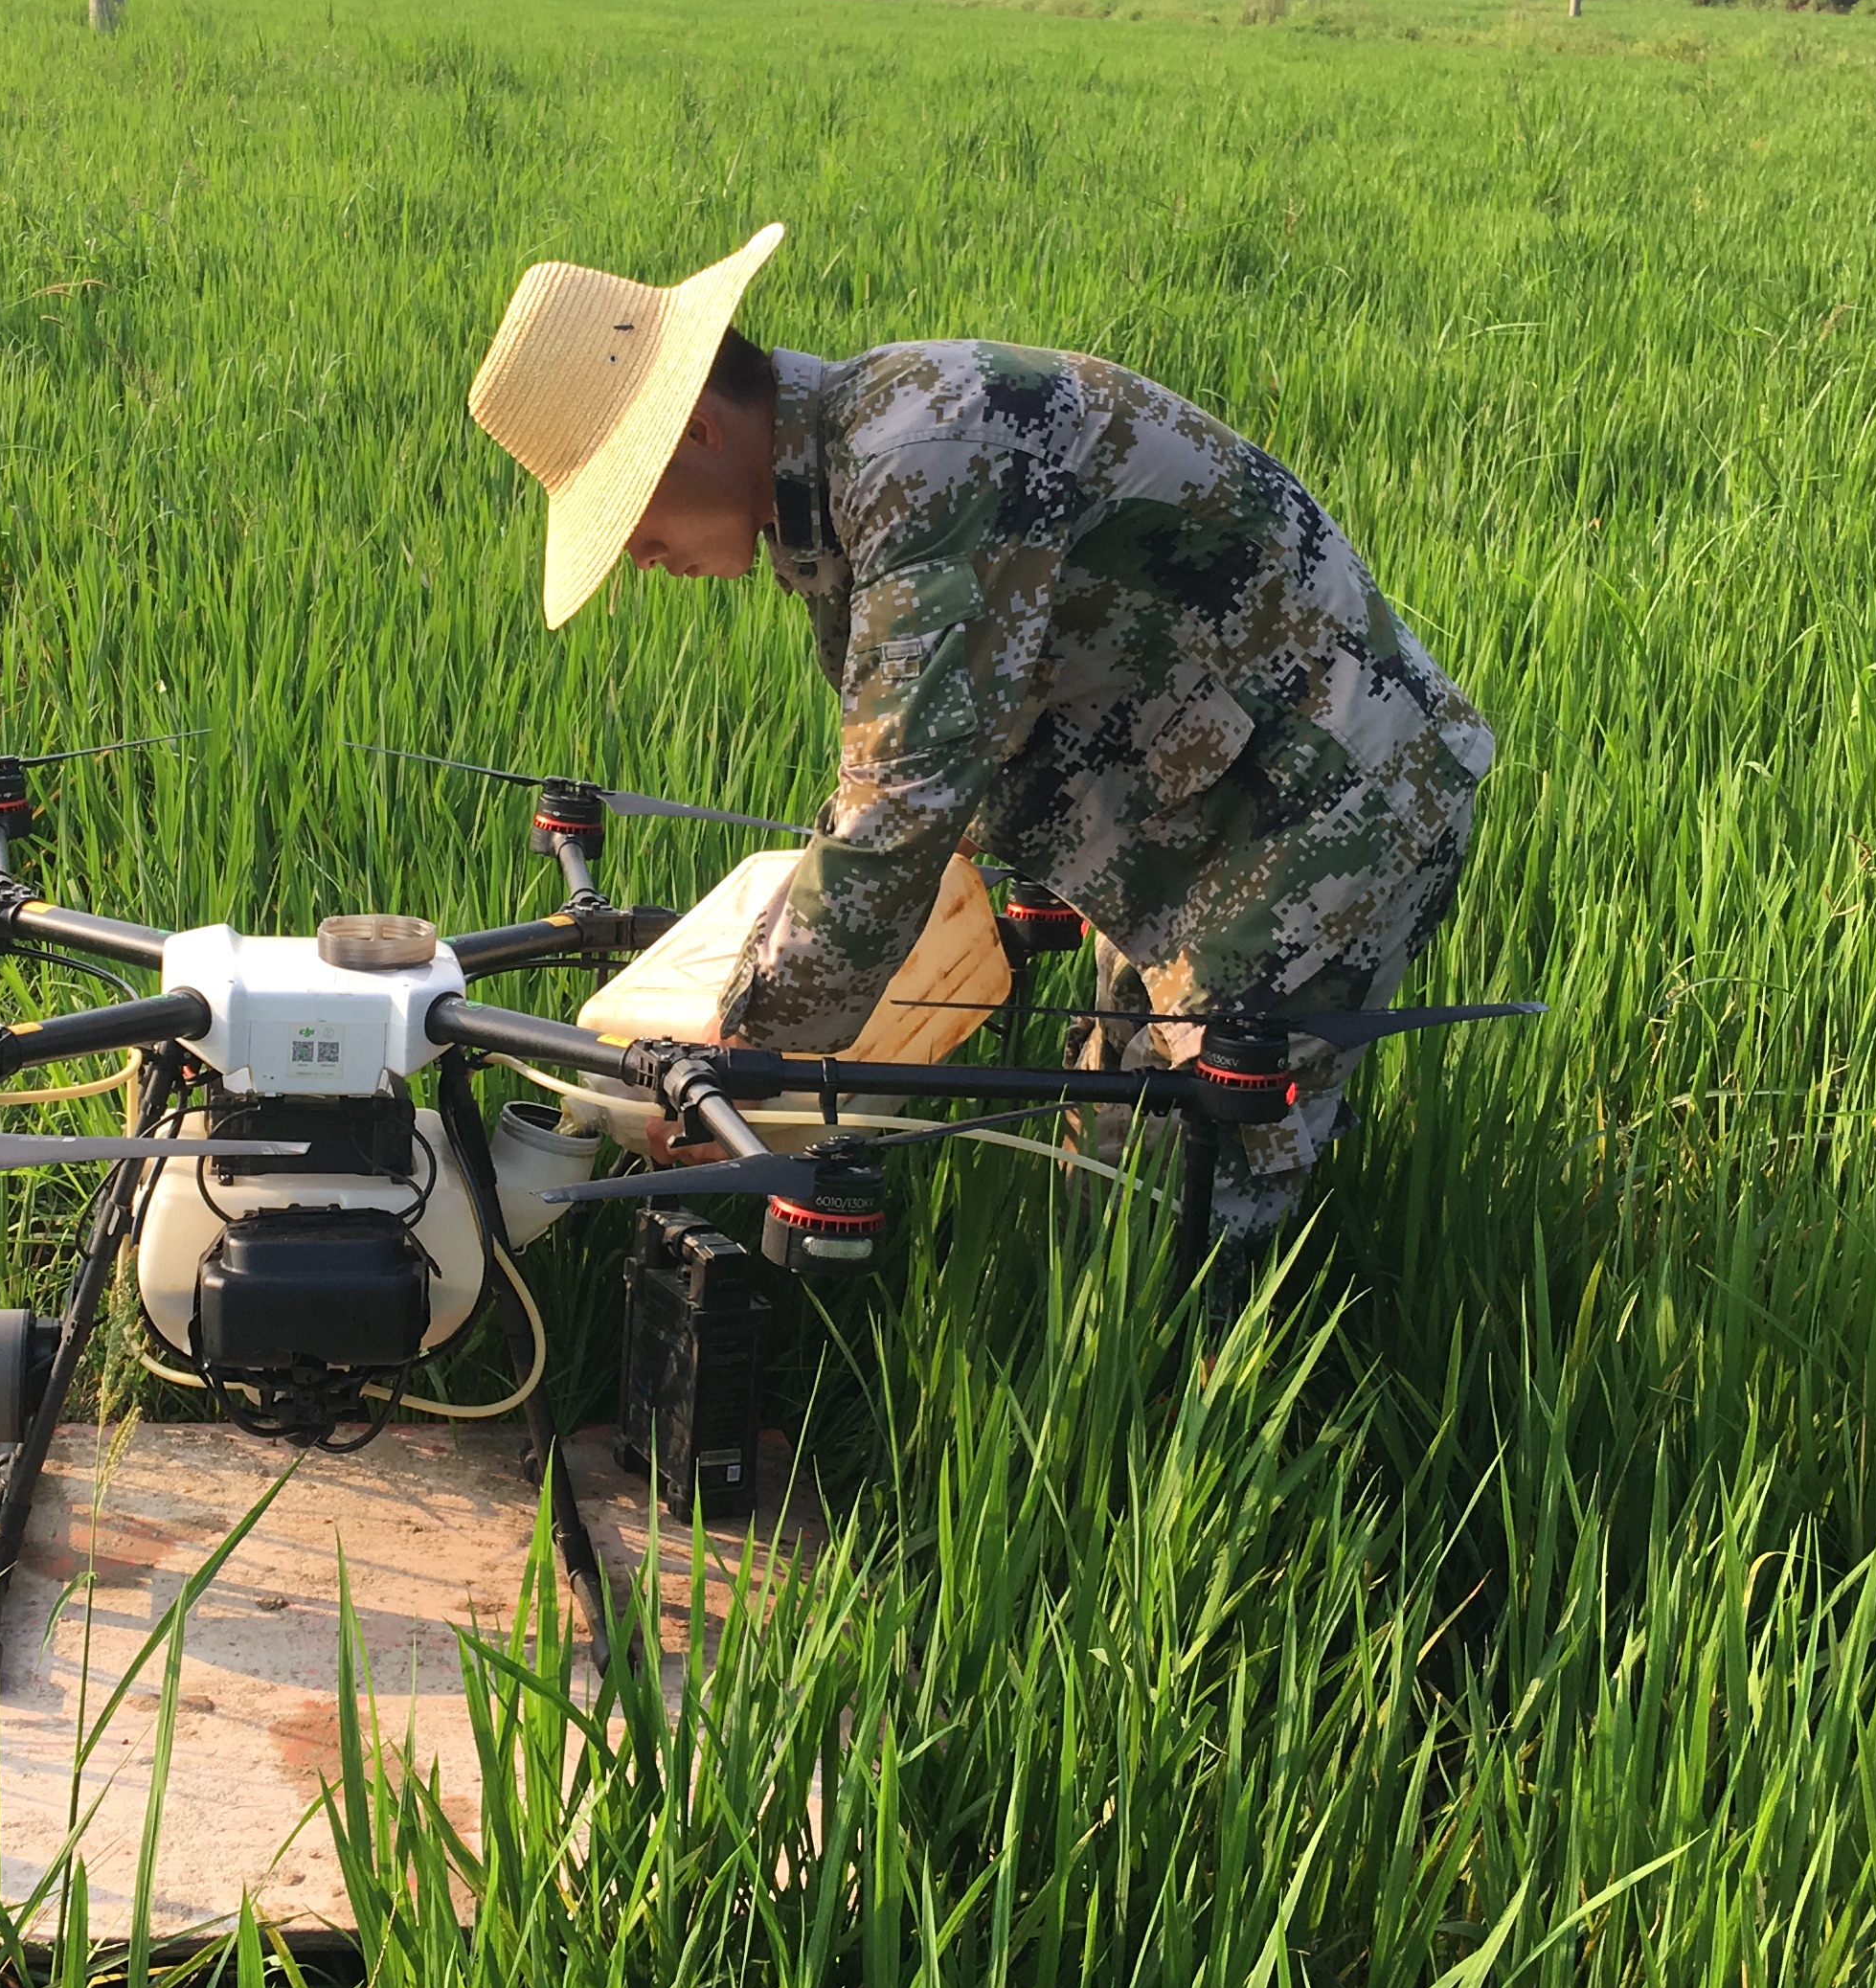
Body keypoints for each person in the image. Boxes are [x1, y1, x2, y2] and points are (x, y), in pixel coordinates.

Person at [466, 221, 1495, 1259]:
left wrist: (730, 1057)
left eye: (628, 506)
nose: (638, 554)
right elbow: (931, 754)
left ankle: (1198, 1409)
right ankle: (1168, 1370)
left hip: (1320, 807)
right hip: (1205, 815)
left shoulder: (921, 458)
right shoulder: (853, 470)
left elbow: (901, 808)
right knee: (1120, 1149)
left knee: (1193, 1188)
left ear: (695, 430)